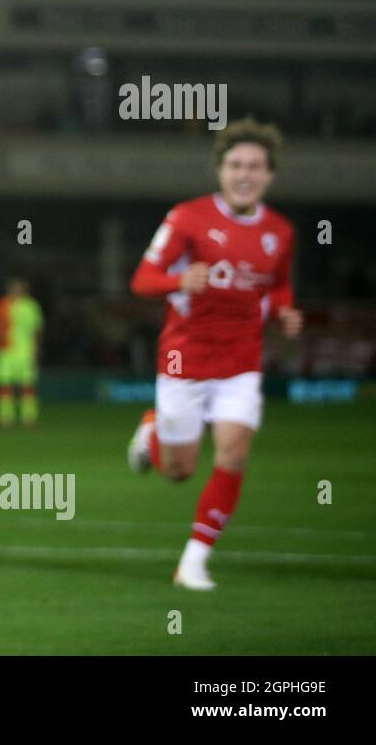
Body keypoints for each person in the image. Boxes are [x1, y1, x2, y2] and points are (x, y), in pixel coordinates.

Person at [126, 118, 302, 590]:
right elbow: (142, 280)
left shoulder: (280, 232)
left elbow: (278, 286)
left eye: (256, 166)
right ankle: (153, 433)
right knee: (179, 472)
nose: (246, 173)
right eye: (236, 164)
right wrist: (179, 280)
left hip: (241, 363)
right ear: (221, 170)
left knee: (234, 452)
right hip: (184, 360)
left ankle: (194, 561)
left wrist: (284, 312)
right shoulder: (187, 217)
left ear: (269, 175)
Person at [0, 278, 43, 427]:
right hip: (5, 350)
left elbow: (36, 331)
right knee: (4, 385)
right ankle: (6, 417)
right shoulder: (2, 305)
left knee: (28, 385)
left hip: (25, 351)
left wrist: (36, 350)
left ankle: (29, 417)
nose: (16, 291)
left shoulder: (31, 306)